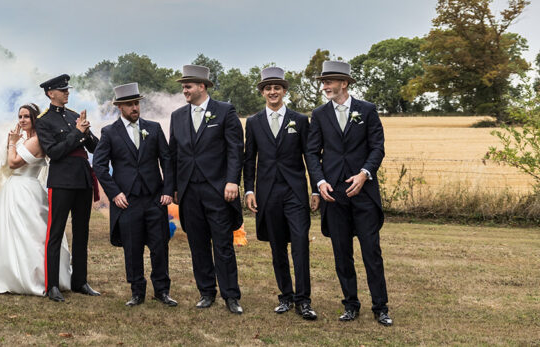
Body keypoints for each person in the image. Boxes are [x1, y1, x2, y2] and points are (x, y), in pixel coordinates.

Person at [305, 60, 392, 326]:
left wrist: (365, 173)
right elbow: (312, 153)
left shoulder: (367, 110)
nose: (325, 86)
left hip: (363, 192)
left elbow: (377, 147)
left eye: (329, 82)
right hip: (334, 194)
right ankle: (350, 304)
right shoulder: (319, 115)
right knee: (342, 253)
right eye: (323, 82)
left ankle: (381, 307)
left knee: (371, 252)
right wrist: (320, 183)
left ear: (344, 83)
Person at [0, 104, 71, 295]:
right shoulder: (25, 139)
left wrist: (12, 143)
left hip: (25, 189)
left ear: (35, 119)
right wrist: (13, 142)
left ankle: (32, 276)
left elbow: (13, 163)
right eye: (20, 116)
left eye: (27, 116)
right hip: (14, 189)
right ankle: (5, 271)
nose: (22, 120)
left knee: (30, 233)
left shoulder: (36, 141)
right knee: (7, 233)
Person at [167, 64, 244, 314]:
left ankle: (231, 295)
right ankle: (206, 292)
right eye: (183, 87)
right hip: (189, 191)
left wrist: (232, 181)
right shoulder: (177, 116)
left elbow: (235, 149)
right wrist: (174, 187)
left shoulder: (225, 111)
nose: (184, 91)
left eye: (188, 86)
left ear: (202, 86)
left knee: (223, 244)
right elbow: (173, 155)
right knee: (197, 244)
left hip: (218, 189)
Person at [243, 67, 318, 320]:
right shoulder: (253, 122)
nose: (272, 92)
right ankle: (285, 297)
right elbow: (249, 159)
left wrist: (316, 189)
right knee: (277, 247)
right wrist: (249, 189)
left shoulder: (300, 120)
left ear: (284, 91)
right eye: (268, 88)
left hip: (295, 192)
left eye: (277, 87)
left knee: (300, 244)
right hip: (268, 193)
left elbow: (310, 157)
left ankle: (304, 301)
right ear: (262, 92)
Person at [93, 83, 176, 307]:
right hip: (127, 201)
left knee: (160, 246)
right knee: (132, 248)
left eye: (137, 103)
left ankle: (162, 291)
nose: (135, 107)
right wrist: (114, 193)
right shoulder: (109, 132)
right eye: (130, 104)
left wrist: (168, 190)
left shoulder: (154, 128)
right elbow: (99, 165)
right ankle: (137, 292)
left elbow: (167, 160)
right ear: (120, 107)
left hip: (154, 198)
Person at [35, 73, 101, 302]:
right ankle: (52, 285)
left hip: (82, 179)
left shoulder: (74, 116)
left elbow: (94, 147)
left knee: (82, 232)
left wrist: (86, 132)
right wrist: (77, 133)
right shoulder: (43, 121)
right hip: (61, 181)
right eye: (62, 90)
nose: (67, 93)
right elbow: (54, 152)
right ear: (50, 93)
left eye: (67, 90)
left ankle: (80, 281)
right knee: (55, 232)